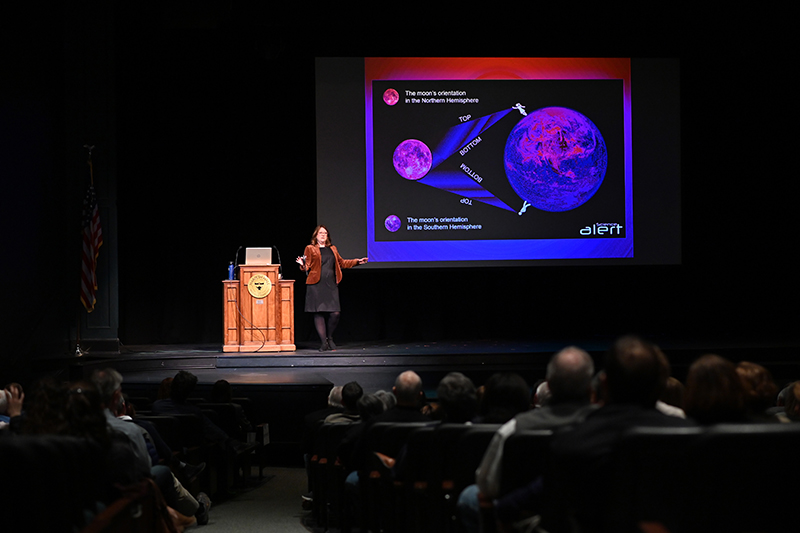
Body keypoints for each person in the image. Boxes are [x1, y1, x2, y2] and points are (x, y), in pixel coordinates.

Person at [458, 347, 598, 533]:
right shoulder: (609, 428)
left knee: (470, 496)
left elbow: (487, 485)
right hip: (596, 520)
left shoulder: (514, 429)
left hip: (529, 523)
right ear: (590, 389)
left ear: (550, 386)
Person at [296, 225, 367, 352]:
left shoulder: (332, 249)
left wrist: (357, 262)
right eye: (321, 233)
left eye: (325, 233)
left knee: (335, 313)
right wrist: (302, 265)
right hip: (316, 284)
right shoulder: (310, 248)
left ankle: (329, 337)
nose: (323, 235)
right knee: (318, 313)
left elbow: (342, 263)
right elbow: (307, 266)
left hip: (331, 284)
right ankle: (323, 342)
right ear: (316, 235)